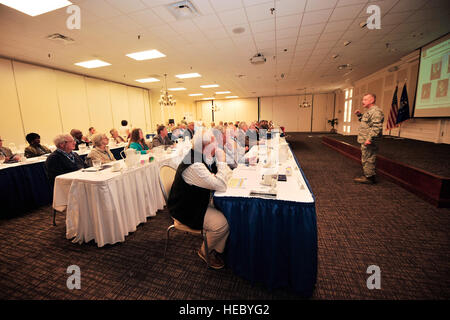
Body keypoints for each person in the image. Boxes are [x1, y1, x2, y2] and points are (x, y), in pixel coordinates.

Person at [167, 129, 232, 270]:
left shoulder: (203, 157)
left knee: (228, 214)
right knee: (222, 224)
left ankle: (215, 249)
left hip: (196, 200)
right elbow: (221, 184)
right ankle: (205, 251)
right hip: (186, 208)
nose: (218, 147)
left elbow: (225, 177)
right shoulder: (195, 164)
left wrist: (220, 171)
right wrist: (222, 162)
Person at [354, 93, 385, 184]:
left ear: (372, 100)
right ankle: (368, 175)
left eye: (365, 100)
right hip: (365, 139)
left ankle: (369, 177)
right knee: (366, 157)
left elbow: (377, 127)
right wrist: (360, 115)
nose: (362, 102)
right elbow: (366, 123)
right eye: (362, 100)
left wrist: (370, 139)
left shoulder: (376, 111)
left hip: (369, 140)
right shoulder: (369, 111)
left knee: (368, 158)